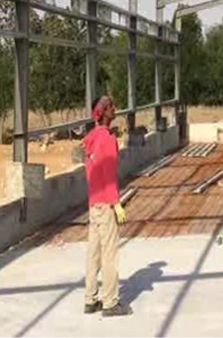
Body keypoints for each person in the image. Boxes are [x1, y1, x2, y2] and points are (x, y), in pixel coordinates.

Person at [83, 95, 131, 317]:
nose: (115, 109)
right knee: (109, 254)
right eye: (111, 106)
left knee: (93, 253)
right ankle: (110, 302)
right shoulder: (107, 140)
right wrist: (116, 203)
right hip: (106, 203)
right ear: (102, 113)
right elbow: (109, 175)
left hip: (94, 204)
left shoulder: (91, 139)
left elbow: (92, 174)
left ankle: (90, 299)